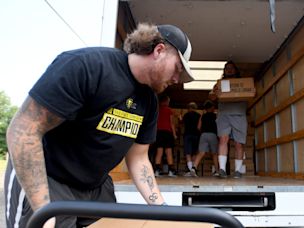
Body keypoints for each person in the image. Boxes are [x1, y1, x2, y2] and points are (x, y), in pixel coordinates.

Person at [5, 23, 194, 228]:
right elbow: (23, 131)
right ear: (159, 51)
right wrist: (44, 210)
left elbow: (138, 158)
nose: (177, 79)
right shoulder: (85, 67)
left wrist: (161, 208)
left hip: (95, 187)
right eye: (177, 68)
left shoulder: (149, 101)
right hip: (49, 178)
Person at [211, 61, 247, 179]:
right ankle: (222, 169)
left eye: (231, 68)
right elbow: (211, 96)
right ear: (224, 71)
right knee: (223, 139)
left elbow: (252, 93)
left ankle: (237, 171)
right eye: (227, 68)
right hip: (223, 114)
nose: (229, 70)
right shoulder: (219, 84)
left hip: (239, 114)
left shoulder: (244, 83)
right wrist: (215, 93)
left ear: (236, 70)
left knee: (239, 143)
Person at [190, 100, 219, 177]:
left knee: (201, 153)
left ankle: (193, 168)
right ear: (212, 107)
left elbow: (198, 127)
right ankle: (217, 171)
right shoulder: (215, 115)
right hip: (213, 135)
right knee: (214, 154)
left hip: (203, 135)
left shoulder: (202, 116)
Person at [154, 94, 177, 177]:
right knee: (168, 152)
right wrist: (174, 134)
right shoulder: (170, 110)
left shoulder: (157, 110)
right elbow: (172, 123)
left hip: (159, 132)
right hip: (167, 132)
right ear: (167, 101)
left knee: (159, 152)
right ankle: (171, 171)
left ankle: (156, 171)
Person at [181, 102, 201, 176]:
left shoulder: (186, 115)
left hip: (187, 135)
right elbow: (200, 126)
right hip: (196, 135)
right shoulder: (199, 115)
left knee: (188, 152)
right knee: (194, 152)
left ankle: (189, 170)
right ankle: (193, 169)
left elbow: (182, 123)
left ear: (188, 108)